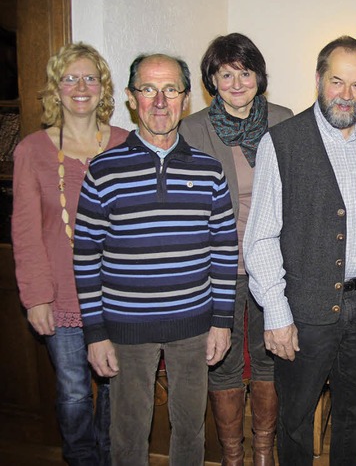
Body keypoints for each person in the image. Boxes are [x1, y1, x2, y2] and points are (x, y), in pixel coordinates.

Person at [73, 53, 238, 465]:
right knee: (127, 432)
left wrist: (221, 322)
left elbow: (224, 249)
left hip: (194, 327)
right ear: (131, 98)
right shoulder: (103, 170)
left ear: (186, 99)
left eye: (171, 90)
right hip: (125, 329)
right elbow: (86, 255)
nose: (160, 101)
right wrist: (94, 333)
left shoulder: (210, 170)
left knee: (190, 429)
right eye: (148, 89)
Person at [243, 35, 356, 465]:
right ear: (318, 80)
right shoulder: (282, 142)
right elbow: (262, 235)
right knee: (296, 419)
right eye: (337, 81)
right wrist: (276, 311)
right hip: (304, 312)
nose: (347, 95)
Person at [12, 42, 128, 465]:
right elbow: (25, 231)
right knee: (74, 392)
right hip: (61, 294)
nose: (81, 87)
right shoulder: (32, 151)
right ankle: (81, 459)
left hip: (121, 296)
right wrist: (37, 296)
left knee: (119, 385)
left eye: (91, 78)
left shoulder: (126, 144)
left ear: (103, 89)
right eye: (70, 78)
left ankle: (111, 456)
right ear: (55, 89)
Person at [179, 32, 293, 466]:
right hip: (216, 269)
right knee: (221, 360)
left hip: (271, 266)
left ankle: (264, 451)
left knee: (269, 357)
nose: (237, 82)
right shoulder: (191, 129)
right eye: (226, 74)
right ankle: (232, 456)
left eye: (245, 72)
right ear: (212, 79)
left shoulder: (283, 121)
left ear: (258, 76)